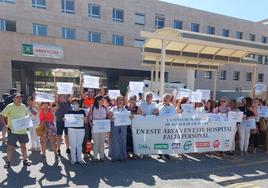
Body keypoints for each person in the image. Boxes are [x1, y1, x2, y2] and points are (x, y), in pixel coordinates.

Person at [0, 93, 31, 168]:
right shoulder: (10, 106)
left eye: (20, 97)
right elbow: (2, 115)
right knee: (10, 147)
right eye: (17, 97)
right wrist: (5, 125)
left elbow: (26, 115)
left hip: (22, 131)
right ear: (13, 99)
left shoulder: (23, 106)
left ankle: (25, 160)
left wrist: (28, 121)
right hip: (13, 131)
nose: (19, 98)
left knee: (23, 146)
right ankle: (8, 162)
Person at [88, 96, 108, 162]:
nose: (103, 101)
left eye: (104, 100)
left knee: (102, 143)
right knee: (96, 143)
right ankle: (95, 157)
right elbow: (89, 117)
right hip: (95, 128)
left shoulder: (105, 108)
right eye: (102, 100)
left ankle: (102, 157)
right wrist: (91, 124)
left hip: (103, 128)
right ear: (98, 101)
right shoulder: (92, 107)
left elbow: (106, 118)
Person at [157, 93, 177, 160]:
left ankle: (166, 153)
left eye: (167, 98)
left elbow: (175, 115)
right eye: (165, 98)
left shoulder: (172, 107)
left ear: (169, 100)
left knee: (167, 140)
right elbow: (154, 113)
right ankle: (160, 153)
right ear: (163, 99)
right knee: (160, 140)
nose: (166, 99)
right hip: (160, 126)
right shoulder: (158, 105)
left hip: (169, 127)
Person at [108, 96, 129, 162]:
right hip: (114, 126)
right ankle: (114, 157)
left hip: (123, 127)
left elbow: (128, 118)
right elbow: (108, 117)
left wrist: (130, 118)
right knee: (114, 141)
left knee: (122, 141)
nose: (120, 101)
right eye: (119, 100)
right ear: (117, 101)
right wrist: (112, 118)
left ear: (123, 102)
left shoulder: (125, 110)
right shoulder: (113, 109)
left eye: (121, 100)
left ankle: (122, 156)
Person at [67, 98, 86, 164]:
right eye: (73, 103)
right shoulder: (70, 111)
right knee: (73, 145)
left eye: (76, 103)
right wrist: (65, 119)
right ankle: (73, 159)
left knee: (79, 145)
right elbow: (68, 121)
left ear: (79, 104)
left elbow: (85, 121)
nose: (75, 105)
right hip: (71, 129)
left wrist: (85, 119)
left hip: (81, 130)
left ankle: (80, 159)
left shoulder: (82, 111)